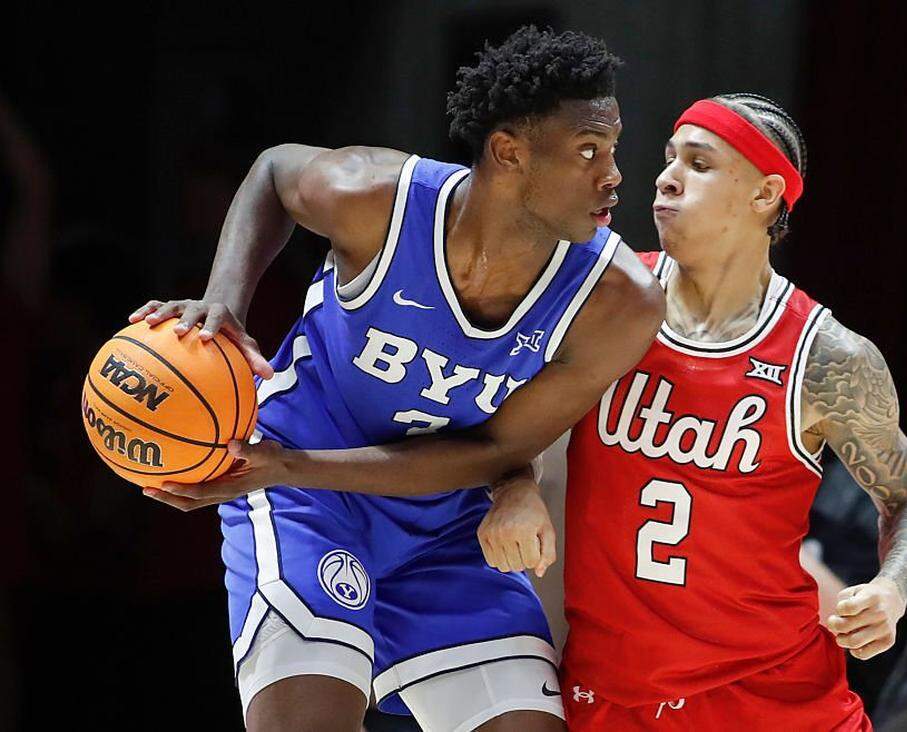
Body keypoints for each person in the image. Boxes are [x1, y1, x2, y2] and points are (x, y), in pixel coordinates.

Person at [132, 27, 663, 732]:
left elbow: (490, 454)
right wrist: (226, 302)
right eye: (589, 151)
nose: (614, 175)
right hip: (303, 502)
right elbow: (272, 171)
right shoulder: (377, 199)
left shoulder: (618, 300)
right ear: (509, 153)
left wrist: (289, 465)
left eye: (614, 150)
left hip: (442, 523)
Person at [477, 93, 907, 729]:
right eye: (670, 158)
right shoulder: (599, 300)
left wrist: (891, 590)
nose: (666, 176)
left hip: (776, 696)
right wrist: (514, 483)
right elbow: (485, 411)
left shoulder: (828, 357)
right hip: (616, 693)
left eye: (699, 164)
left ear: (764, 194)